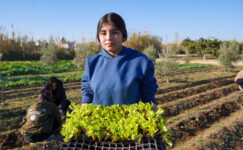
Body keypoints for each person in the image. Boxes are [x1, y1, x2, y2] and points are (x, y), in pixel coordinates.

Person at [81, 12, 158, 106]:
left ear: (124, 36)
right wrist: (83, 117)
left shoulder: (141, 62)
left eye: (115, 32)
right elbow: (87, 97)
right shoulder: (92, 63)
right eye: (103, 33)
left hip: (129, 120)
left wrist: (154, 118)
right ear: (98, 37)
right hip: (97, 120)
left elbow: (149, 100)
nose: (108, 38)